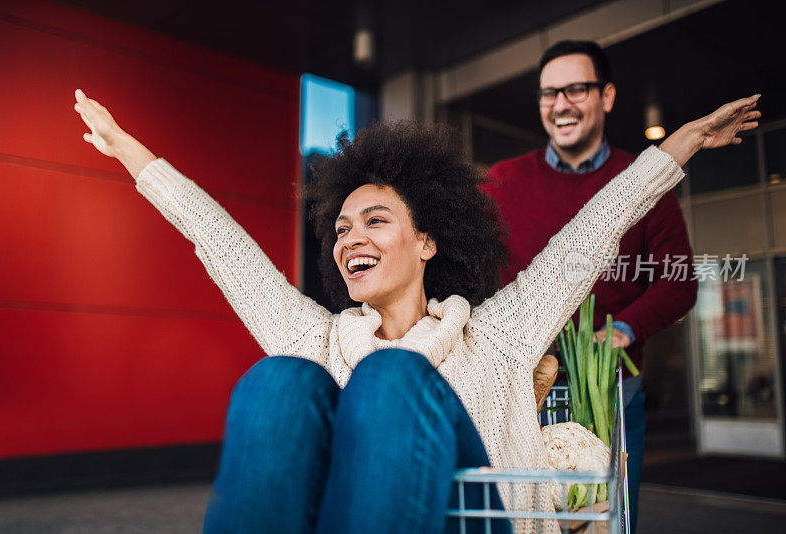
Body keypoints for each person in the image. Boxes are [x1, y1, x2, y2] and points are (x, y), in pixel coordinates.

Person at [73, 88, 759, 534]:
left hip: (483, 525)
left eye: (375, 220)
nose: (352, 239)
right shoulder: (317, 338)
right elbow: (220, 243)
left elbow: (591, 237)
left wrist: (683, 145)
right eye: (341, 230)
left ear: (427, 240)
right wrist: (130, 152)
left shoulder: (499, 333)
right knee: (278, 380)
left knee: (392, 380)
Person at [483, 40, 700, 532]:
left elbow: (679, 280)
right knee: (525, 520)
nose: (560, 104)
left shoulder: (646, 180)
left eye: (576, 89)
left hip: (611, 388)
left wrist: (624, 329)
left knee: (608, 522)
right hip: (523, 391)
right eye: (548, 93)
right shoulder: (501, 182)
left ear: (607, 96)